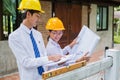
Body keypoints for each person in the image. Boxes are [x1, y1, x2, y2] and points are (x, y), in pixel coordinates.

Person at [8, 0, 62, 80]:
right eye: (37, 16)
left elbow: (43, 55)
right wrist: (49, 58)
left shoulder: (38, 35)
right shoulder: (15, 37)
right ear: (28, 14)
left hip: (44, 76)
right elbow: (26, 62)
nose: (39, 20)